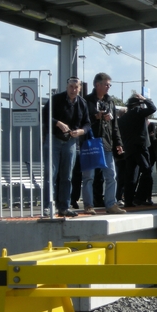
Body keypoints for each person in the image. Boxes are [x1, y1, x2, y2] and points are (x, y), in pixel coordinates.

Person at [42, 77, 90, 217]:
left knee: (67, 176)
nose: (73, 90)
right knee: (51, 174)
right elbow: (44, 116)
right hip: (54, 139)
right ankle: (47, 206)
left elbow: (87, 124)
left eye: (76, 87)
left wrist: (81, 131)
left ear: (80, 88)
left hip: (71, 141)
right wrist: (58, 123)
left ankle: (64, 206)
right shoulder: (56, 99)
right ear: (66, 86)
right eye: (71, 87)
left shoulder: (82, 103)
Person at [81, 72, 126, 215]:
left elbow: (115, 125)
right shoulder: (86, 101)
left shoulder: (110, 101)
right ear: (97, 85)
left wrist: (118, 142)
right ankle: (88, 205)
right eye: (106, 84)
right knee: (89, 176)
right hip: (91, 142)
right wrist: (96, 116)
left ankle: (110, 204)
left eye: (109, 85)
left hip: (107, 142)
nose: (108, 87)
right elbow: (83, 120)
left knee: (111, 175)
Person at [119, 93, 157, 207]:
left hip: (129, 148)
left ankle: (129, 201)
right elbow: (153, 108)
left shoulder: (122, 119)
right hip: (140, 147)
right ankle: (140, 197)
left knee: (130, 175)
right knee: (147, 171)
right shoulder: (137, 113)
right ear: (137, 104)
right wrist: (145, 99)